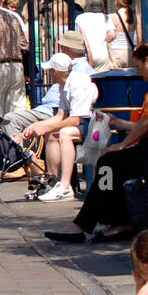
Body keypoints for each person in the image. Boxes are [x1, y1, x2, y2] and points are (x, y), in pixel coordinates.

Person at [44, 41, 148, 242]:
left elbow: (146, 124)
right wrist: (119, 122)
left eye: (138, 67)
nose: (139, 73)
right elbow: (145, 125)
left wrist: (121, 144)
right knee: (109, 165)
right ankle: (100, 220)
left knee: (110, 163)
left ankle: (105, 222)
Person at [23, 34, 96, 202]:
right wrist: (38, 125)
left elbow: (76, 119)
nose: (49, 74)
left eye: (50, 71)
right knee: (54, 134)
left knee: (64, 133)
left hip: (94, 125)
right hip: (85, 122)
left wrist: (45, 127)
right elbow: (61, 115)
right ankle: (53, 181)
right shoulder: (65, 84)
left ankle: (65, 186)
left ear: (56, 71)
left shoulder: (78, 83)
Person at [109, 0, 138, 70]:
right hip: (131, 54)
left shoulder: (113, 17)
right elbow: (139, 38)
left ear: (117, 1)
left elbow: (110, 36)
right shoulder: (135, 17)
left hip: (116, 54)